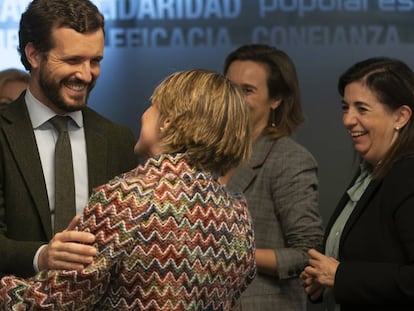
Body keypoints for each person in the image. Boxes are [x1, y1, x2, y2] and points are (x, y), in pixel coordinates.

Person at [0, 69, 256, 310]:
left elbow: (54, 301)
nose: (144, 114)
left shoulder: (128, 198)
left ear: (166, 122)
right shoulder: (236, 208)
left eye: (152, 107)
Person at [0, 0, 137, 278]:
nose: (86, 75)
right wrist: (42, 256)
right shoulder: (3, 133)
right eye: (73, 60)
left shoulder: (117, 139)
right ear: (34, 55)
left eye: (95, 61)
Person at [300, 57, 414, 310]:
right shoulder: (370, 172)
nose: (347, 120)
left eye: (361, 109)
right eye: (345, 107)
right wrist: (324, 279)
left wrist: (341, 276)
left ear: (401, 116)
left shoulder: (408, 175)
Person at [222, 44, 324, 310]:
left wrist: (234, 255)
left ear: (275, 99)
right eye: (229, 87)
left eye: (247, 90)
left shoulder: (289, 159)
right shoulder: (210, 156)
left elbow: (307, 253)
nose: (234, 97)